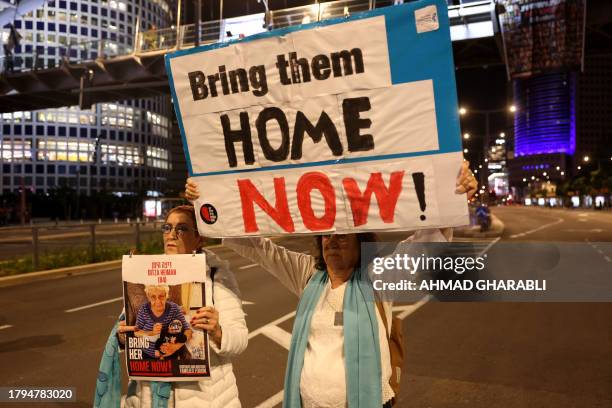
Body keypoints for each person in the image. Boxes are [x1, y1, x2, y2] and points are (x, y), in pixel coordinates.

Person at [184, 161, 477, 407]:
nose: (332, 242)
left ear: (361, 241)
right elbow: (261, 249)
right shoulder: (309, 274)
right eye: (326, 235)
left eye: (342, 236)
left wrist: (454, 194)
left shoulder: (378, 276)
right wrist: (208, 203)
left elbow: (424, 246)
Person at [94, 205, 248, 408]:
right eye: (167, 228)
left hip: (206, 399)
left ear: (199, 238)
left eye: (181, 229)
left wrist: (217, 332)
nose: (172, 234)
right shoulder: (146, 274)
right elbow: (129, 330)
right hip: (148, 398)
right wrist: (123, 336)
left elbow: (240, 340)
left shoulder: (217, 276)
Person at [133, 285, 192, 359]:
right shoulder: (144, 309)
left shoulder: (174, 309)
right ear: (148, 297)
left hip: (170, 355)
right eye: (153, 297)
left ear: (166, 296)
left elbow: (188, 330)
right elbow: (136, 332)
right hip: (147, 355)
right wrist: (151, 333)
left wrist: (175, 347)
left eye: (161, 296)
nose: (158, 301)